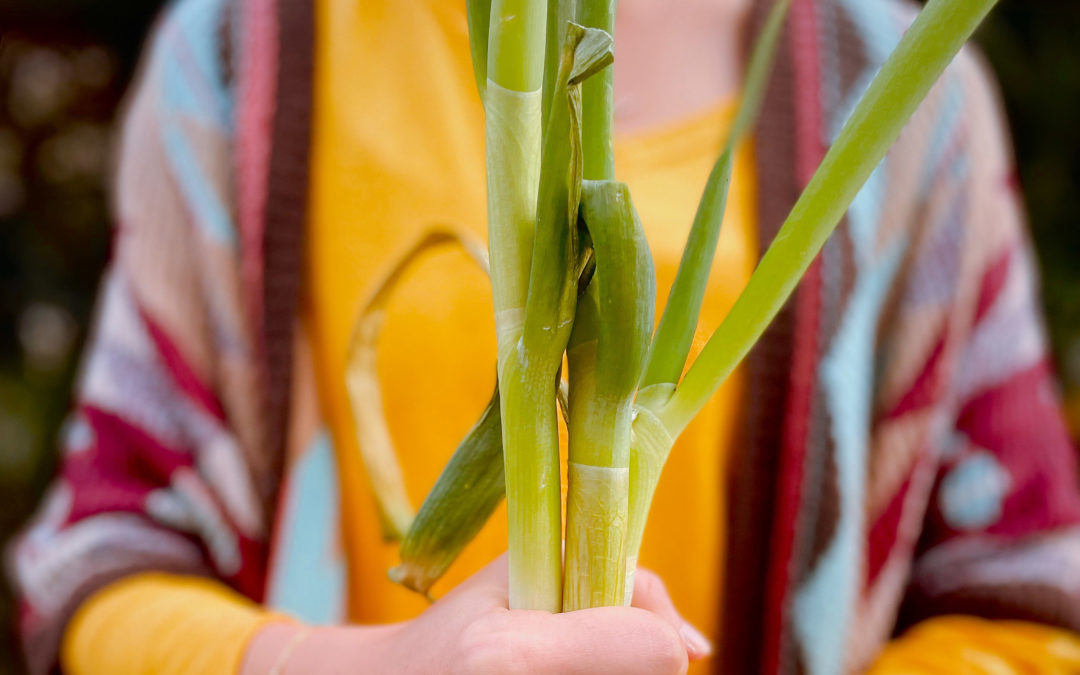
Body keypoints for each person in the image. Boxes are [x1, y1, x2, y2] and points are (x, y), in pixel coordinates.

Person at [11, 0, 1080, 672]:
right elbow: (101, 563)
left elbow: (1037, 607)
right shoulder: (237, 59)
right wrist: (347, 669)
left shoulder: (912, 99)